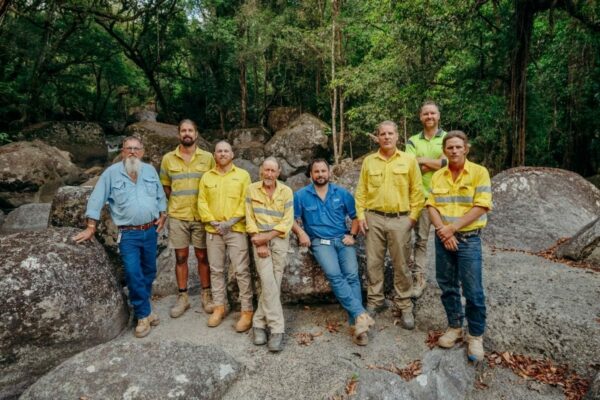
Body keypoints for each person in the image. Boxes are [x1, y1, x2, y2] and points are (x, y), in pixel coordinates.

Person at [73, 136, 167, 338]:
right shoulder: (111, 174)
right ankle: (142, 315)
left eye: (136, 149)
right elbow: (97, 198)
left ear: (142, 151)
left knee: (149, 271)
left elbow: (160, 195)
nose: (132, 152)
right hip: (129, 234)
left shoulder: (149, 171)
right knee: (133, 273)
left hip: (150, 231)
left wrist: (163, 214)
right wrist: (91, 227)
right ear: (122, 152)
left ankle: (145, 307)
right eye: (128, 149)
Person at [292, 159, 375, 346]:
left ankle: (357, 326)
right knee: (334, 275)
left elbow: (355, 217)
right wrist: (301, 232)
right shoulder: (301, 195)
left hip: (342, 240)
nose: (320, 174)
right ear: (311, 174)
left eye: (323, 171)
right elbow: (291, 219)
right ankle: (361, 315)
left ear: (329, 173)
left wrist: (352, 235)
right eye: (316, 171)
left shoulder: (342, 193)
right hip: (320, 243)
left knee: (352, 276)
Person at [426, 130, 492, 361]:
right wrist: (443, 232)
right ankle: (454, 326)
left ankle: (475, 335)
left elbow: (482, 206)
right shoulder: (438, 176)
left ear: (466, 148)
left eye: (458, 147)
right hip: (443, 238)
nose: (454, 151)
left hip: (468, 238)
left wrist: (451, 228)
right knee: (447, 285)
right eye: (450, 147)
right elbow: (431, 205)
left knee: (473, 290)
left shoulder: (478, 172)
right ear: (444, 150)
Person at [355, 120, 424, 330]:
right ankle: (375, 301)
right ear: (378, 137)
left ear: (397, 137)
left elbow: (417, 192)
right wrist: (360, 216)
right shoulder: (369, 161)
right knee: (373, 262)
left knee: (401, 264)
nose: (386, 137)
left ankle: (404, 304)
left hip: (400, 219)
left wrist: (412, 219)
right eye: (382, 134)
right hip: (373, 218)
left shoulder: (409, 160)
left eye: (390, 133)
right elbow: (361, 191)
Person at [160, 119, 216, 318]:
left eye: (190, 130)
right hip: (178, 216)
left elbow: (214, 183)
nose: (187, 134)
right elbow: (166, 186)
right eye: (183, 130)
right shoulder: (168, 159)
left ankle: (206, 295)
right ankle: (182, 297)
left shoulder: (208, 158)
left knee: (203, 256)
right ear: (178, 134)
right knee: (181, 257)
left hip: (202, 217)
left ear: (196, 134)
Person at [198, 141, 253, 331]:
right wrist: (212, 221)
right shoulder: (207, 177)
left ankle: (247, 311)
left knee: (241, 270)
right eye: (219, 151)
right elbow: (202, 202)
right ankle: (219, 307)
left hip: (235, 229)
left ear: (232, 154)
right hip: (213, 231)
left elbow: (246, 201)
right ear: (215, 154)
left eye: (226, 151)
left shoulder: (243, 176)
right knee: (216, 270)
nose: (222, 154)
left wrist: (229, 223)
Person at [245, 157, 293, 352]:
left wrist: (267, 237)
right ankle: (277, 329)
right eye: (266, 170)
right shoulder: (251, 189)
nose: (269, 174)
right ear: (261, 171)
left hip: (279, 239)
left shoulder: (286, 191)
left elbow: (287, 222)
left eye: (273, 171)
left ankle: (258, 322)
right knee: (267, 280)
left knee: (274, 282)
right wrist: (259, 240)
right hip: (259, 241)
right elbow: (250, 218)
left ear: (278, 172)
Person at [405, 101, 447, 298]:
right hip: (421, 197)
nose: (429, 117)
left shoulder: (448, 138)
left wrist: (422, 161)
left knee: (448, 237)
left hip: (445, 198)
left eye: (433, 113)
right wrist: (437, 163)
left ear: (438, 116)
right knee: (421, 240)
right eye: (425, 114)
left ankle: (450, 279)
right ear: (420, 117)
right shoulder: (413, 141)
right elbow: (409, 167)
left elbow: (451, 162)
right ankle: (419, 279)